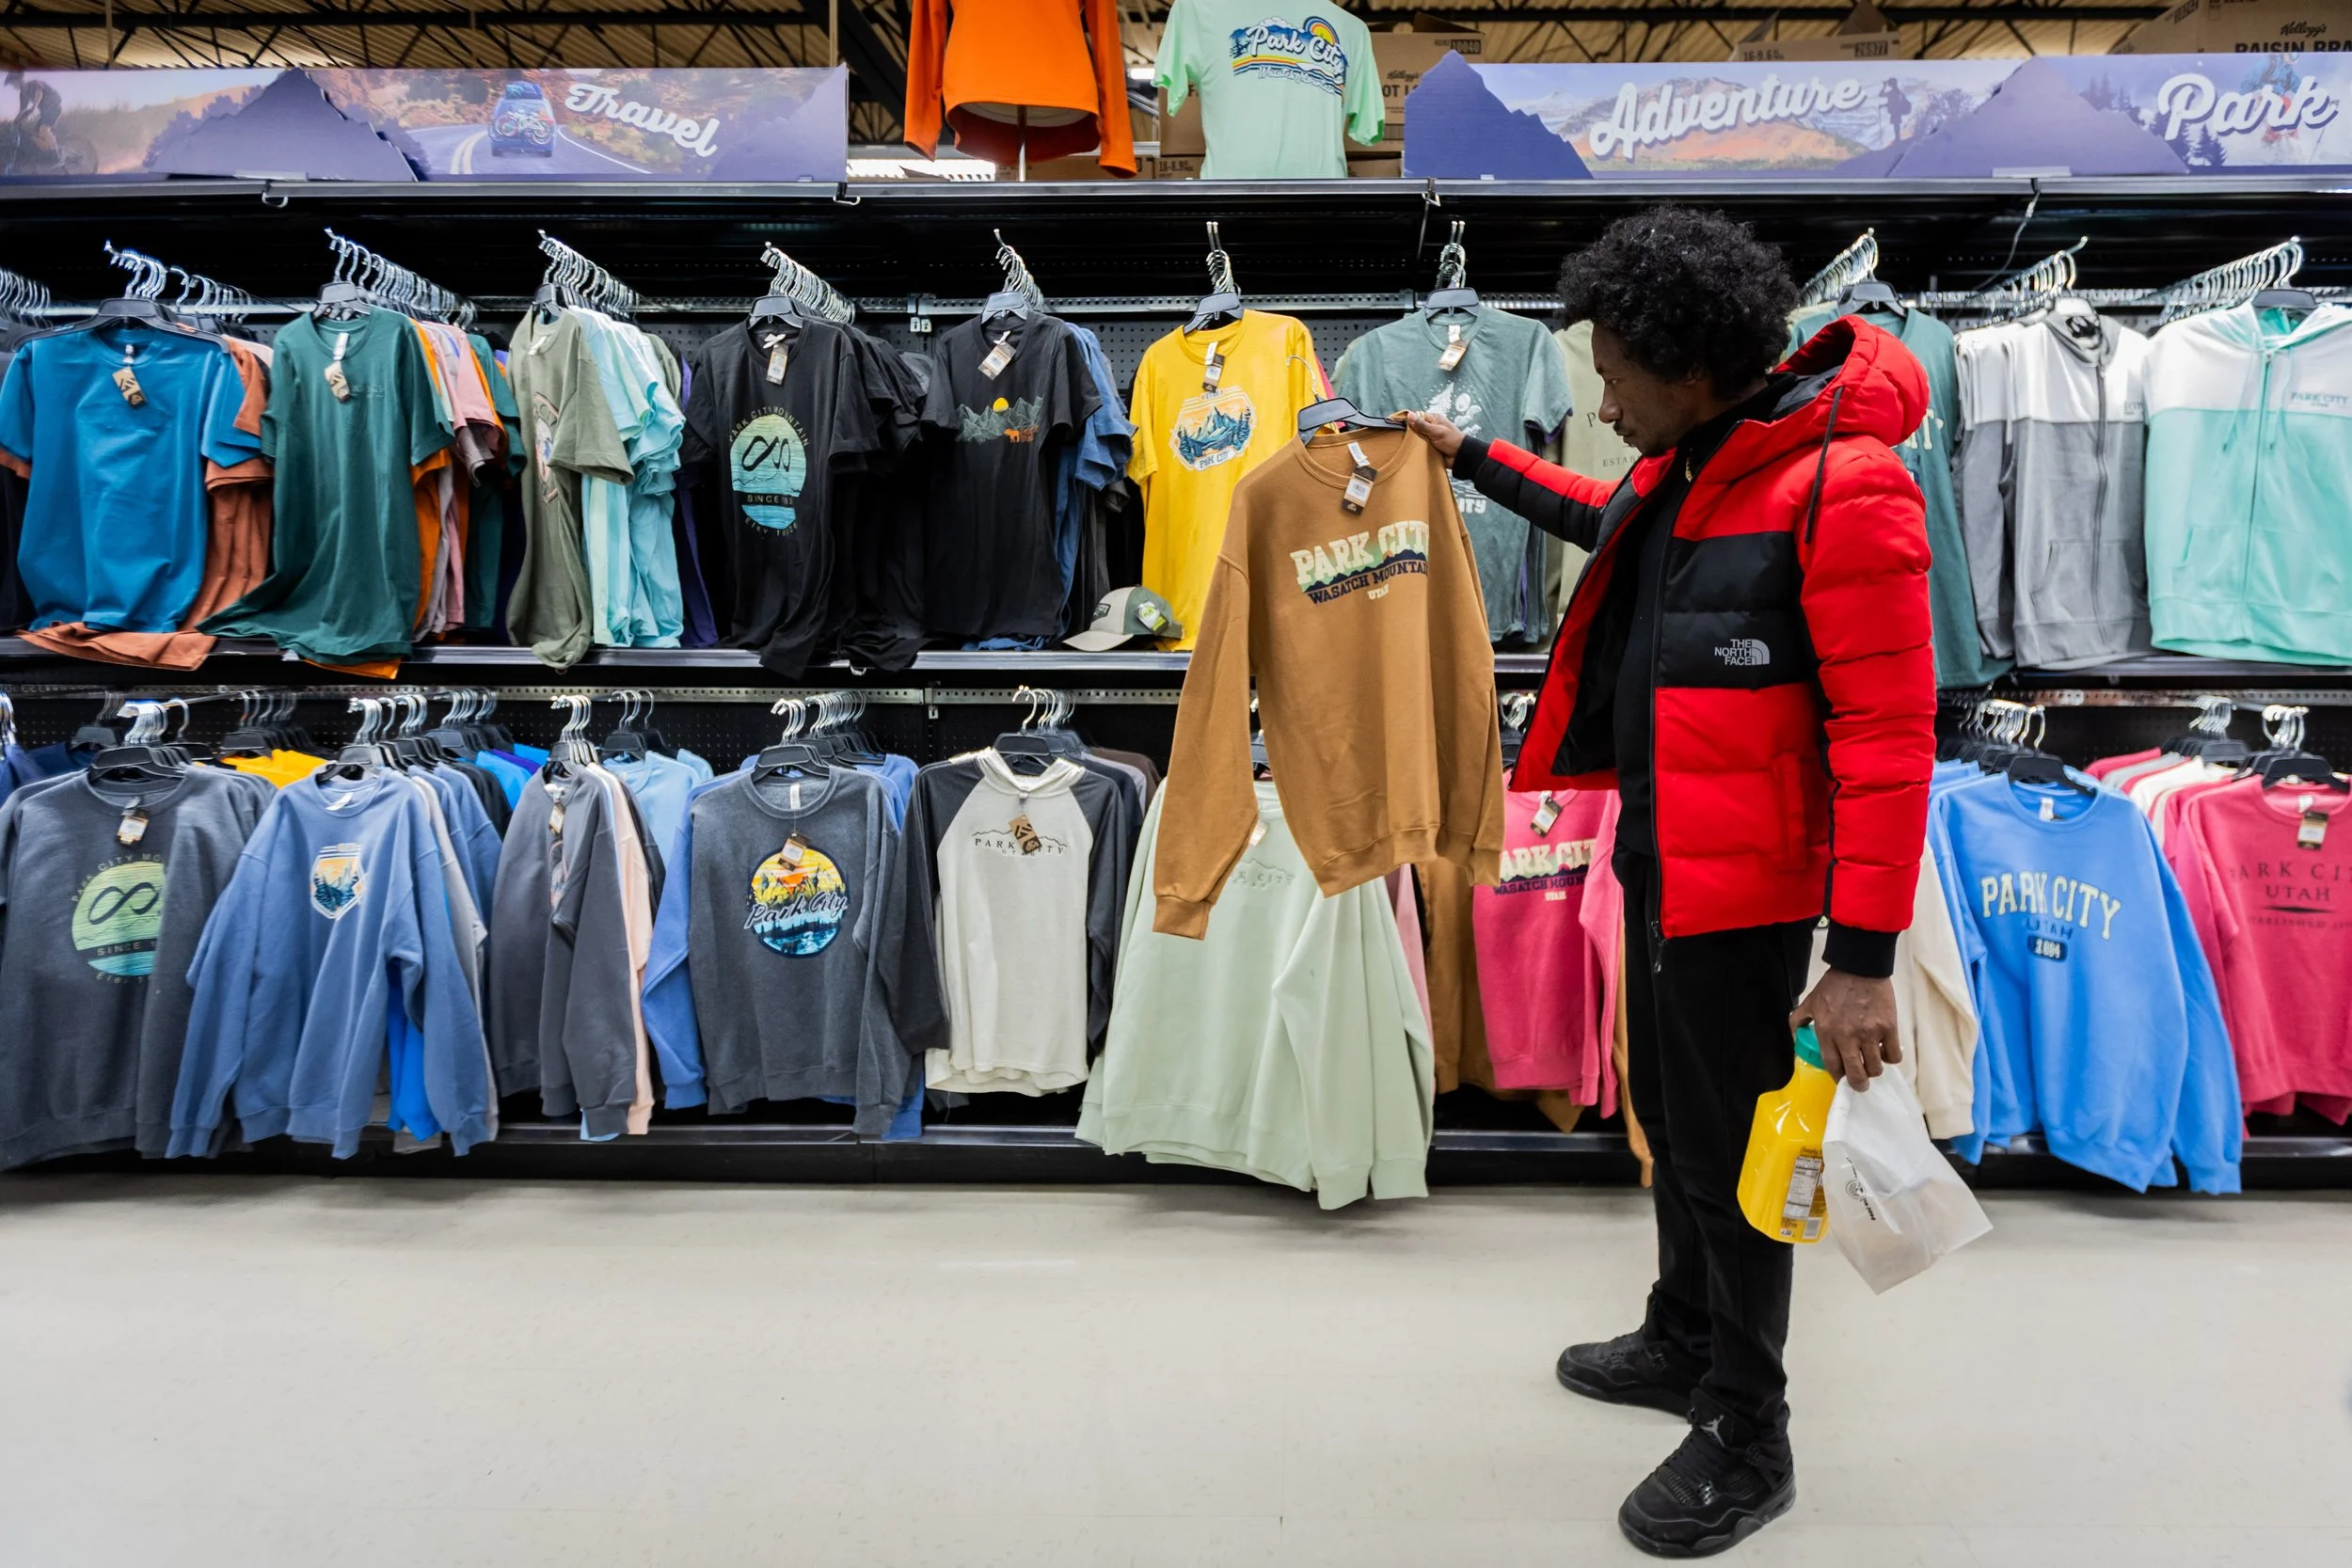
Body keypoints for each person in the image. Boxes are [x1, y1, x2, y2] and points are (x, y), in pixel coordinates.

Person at [1407, 207, 1935, 1559]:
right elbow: (1606, 512)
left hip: (1749, 896)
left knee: (1730, 1155)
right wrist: (1475, 456)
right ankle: (1682, 1330)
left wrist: (1864, 953)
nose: (1599, 396)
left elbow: (1889, 735)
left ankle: (1749, 1430)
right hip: (1661, 858)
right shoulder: (1697, 460)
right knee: (1668, 1118)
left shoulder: (1841, 481)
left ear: (1689, 367)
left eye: (1614, 373)